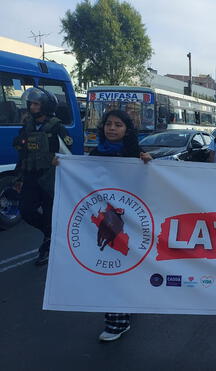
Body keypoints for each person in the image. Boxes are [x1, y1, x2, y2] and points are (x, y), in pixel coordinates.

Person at [82, 110, 152, 341]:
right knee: (110, 268)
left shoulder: (136, 155)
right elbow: (82, 178)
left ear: (127, 130)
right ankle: (118, 317)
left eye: (118, 125)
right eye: (108, 124)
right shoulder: (95, 153)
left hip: (129, 221)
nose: (111, 128)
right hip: (103, 219)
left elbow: (148, 186)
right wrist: (62, 165)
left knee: (123, 267)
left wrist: (148, 167)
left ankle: (120, 319)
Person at [12, 87, 74, 266]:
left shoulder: (56, 127)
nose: (32, 107)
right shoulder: (27, 126)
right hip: (31, 175)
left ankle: (48, 248)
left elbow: (68, 149)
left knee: (50, 212)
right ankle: (50, 233)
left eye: (36, 104)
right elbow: (22, 153)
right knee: (26, 211)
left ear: (45, 106)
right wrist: (19, 177)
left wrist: (59, 160)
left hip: (50, 177)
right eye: (31, 103)